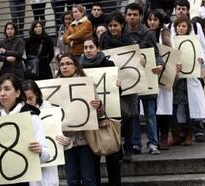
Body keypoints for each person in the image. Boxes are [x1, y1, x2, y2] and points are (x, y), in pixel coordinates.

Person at [0, 74, 50, 186]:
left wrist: (40, 150)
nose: (2, 93)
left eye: (7, 89)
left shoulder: (31, 117)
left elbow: (47, 155)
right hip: (2, 178)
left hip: (26, 178)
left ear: (17, 93)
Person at [79, 39, 122, 185]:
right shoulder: (79, 68)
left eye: (91, 47)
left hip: (110, 115)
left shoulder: (108, 65)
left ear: (98, 48)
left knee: (113, 158)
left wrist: (118, 86)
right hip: (90, 119)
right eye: (85, 47)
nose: (88, 50)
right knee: (93, 160)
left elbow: (116, 93)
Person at [170, 0, 205, 144]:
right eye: (178, 9)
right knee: (178, 104)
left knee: (194, 101)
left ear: (188, 10)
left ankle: (197, 130)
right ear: (175, 10)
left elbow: (202, 46)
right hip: (177, 72)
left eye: (183, 8)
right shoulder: (170, 27)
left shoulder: (196, 26)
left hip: (193, 71)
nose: (181, 11)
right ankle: (180, 132)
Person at [55, 54, 101, 185]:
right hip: (66, 140)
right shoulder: (53, 87)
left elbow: (99, 112)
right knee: (72, 178)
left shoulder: (86, 84)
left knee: (88, 178)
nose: (65, 66)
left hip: (85, 139)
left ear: (75, 66)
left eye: (69, 63)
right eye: (62, 64)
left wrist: (98, 106)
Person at [125, 3, 163, 155]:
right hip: (130, 80)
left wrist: (160, 65)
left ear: (140, 16)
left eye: (135, 14)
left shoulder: (148, 33)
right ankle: (135, 144)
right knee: (133, 114)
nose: (132, 17)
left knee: (150, 113)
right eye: (129, 14)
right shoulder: (122, 33)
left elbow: (156, 54)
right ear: (126, 16)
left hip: (147, 78)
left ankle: (153, 143)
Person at [99, 11, 137, 163]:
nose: (113, 28)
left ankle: (128, 147)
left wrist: (140, 62)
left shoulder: (130, 40)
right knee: (114, 117)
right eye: (110, 26)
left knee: (128, 116)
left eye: (115, 25)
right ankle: (118, 148)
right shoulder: (103, 39)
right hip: (111, 85)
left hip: (128, 84)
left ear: (122, 25)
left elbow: (137, 60)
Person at [22, 79, 68, 186]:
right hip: (29, 164)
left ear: (37, 95)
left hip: (49, 163)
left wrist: (65, 142)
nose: (27, 102)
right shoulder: (17, 113)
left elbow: (58, 136)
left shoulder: (51, 110)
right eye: (24, 99)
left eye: (30, 98)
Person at [145, 9, 174, 150]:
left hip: (165, 75)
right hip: (149, 76)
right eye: (150, 19)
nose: (152, 22)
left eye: (155, 19)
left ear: (160, 21)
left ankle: (164, 136)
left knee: (165, 106)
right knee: (152, 108)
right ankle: (154, 136)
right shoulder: (143, 35)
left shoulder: (165, 36)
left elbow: (173, 54)